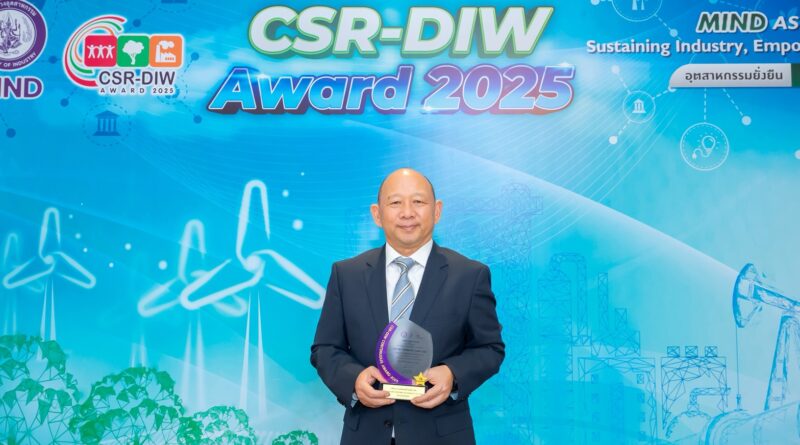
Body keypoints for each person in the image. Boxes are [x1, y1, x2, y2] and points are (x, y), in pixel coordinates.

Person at [310, 168, 505, 445]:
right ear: (377, 214)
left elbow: (490, 348)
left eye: (418, 201)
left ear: (437, 211)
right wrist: (353, 380)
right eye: (395, 202)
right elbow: (325, 348)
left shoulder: (470, 275)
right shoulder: (347, 274)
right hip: (365, 434)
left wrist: (452, 374)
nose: (407, 213)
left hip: (441, 436)